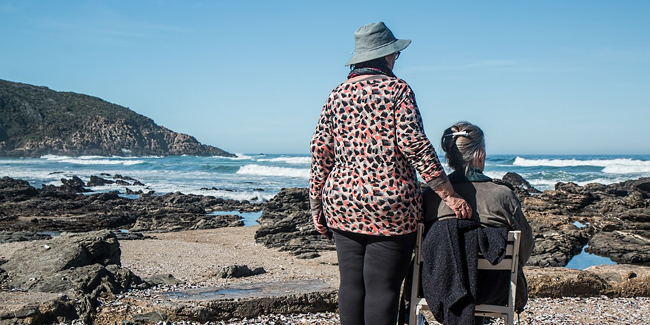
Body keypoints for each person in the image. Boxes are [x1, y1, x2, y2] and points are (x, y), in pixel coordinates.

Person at [309, 22, 472, 325]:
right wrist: (448, 194)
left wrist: (317, 204)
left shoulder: (337, 95)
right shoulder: (398, 90)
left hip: (342, 201)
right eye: (395, 55)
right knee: (383, 287)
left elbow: (321, 151)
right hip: (391, 205)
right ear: (387, 56)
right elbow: (414, 145)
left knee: (351, 285)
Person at [421, 121, 534, 324]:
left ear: (448, 156)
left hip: (435, 288)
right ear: (480, 154)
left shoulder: (429, 196)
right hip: (492, 291)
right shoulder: (503, 195)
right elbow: (524, 249)